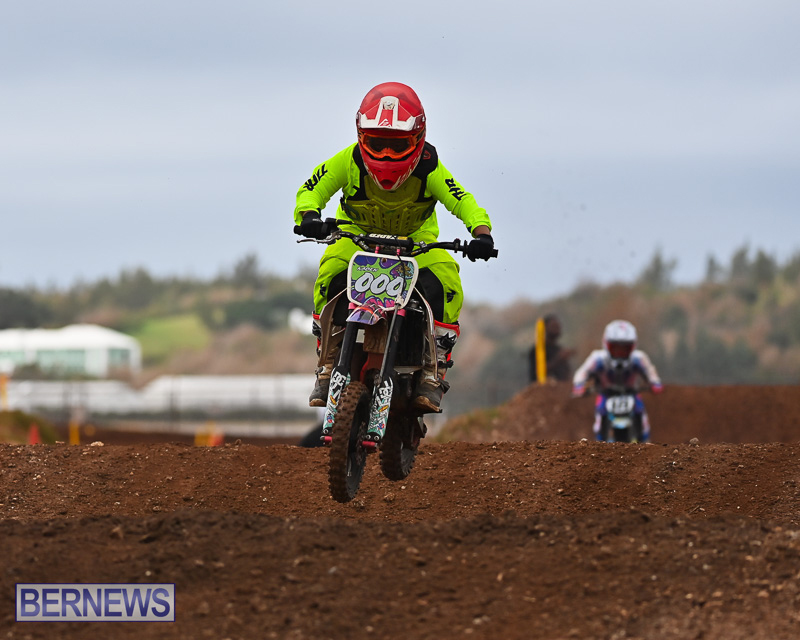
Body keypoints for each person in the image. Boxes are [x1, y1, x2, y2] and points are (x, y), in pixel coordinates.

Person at [294, 82, 495, 413]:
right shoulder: (348, 160)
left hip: (416, 242)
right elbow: (312, 187)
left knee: (446, 280)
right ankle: (327, 362)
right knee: (330, 271)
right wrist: (309, 215)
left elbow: (460, 198)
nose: (386, 155)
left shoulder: (429, 165)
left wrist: (481, 232)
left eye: (396, 145)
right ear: (361, 137)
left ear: (417, 139)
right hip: (356, 237)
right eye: (377, 144)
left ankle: (435, 369)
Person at [572, 319, 663, 442]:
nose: (620, 352)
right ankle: (599, 443)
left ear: (632, 347)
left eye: (624, 348)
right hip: (606, 394)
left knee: (640, 412)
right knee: (600, 414)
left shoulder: (639, 358)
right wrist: (579, 385)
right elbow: (582, 372)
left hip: (631, 393)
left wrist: (655, 383)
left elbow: (650, 372)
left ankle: (645, 443)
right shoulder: (598, 359)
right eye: (616, 348)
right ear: (607, 345)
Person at [528, 313, 575, 383]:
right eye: (554, 326)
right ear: (545, 328)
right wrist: (559, 358)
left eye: (558, 327)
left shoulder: (559, 349)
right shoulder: (537, 350)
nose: (557, 329)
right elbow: (538, 374)